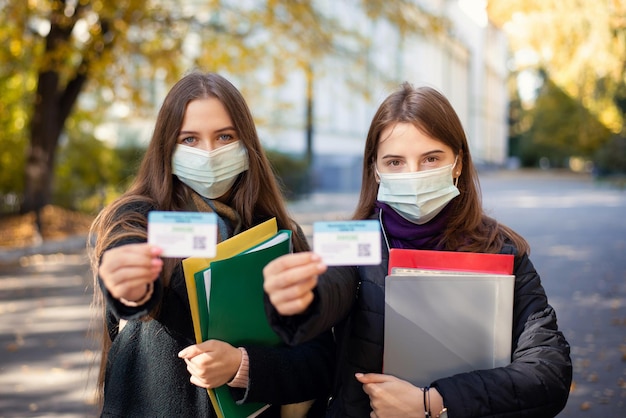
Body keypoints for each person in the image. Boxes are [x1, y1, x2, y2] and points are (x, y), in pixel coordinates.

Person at [262, 83, 572, 418]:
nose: (414, 175)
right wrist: (298, 299)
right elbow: (330, 288)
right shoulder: (354, 241)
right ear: (376, 170)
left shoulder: (503, 253)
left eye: (431, 158)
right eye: (395, 162)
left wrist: (434, 404)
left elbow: (547, 373)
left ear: (458, 163)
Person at [88, 71, 334, 417]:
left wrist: (243, 366)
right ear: (167, 147)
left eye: (224, 136)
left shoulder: (280, 234)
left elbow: (319, 361)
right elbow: (128, 262)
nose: (209, 153)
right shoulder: (139, 216)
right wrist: (128, 285)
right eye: (189, 139)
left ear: (246, 144)